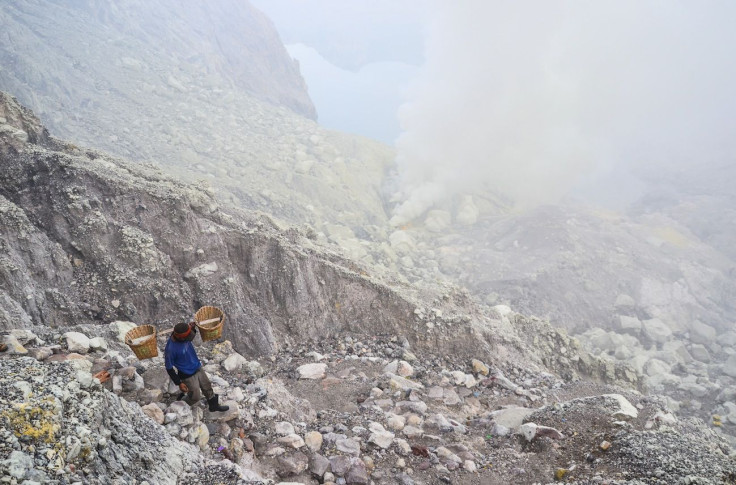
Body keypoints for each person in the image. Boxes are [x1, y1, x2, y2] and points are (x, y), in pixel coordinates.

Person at [165, 321, 229, 412]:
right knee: (195, 397)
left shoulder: (183, 338)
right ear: (180, 337)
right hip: (187, 374)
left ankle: (213, 406)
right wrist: (179, 383)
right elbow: (169, 368)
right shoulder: (170, 349)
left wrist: (193, 328)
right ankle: (179, 405)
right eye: (186, 336)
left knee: (207, 386)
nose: (188, 338)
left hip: (197, 366)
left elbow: (190, 337)